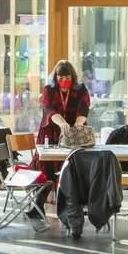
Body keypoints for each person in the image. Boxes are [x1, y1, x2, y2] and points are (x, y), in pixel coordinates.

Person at [33, 60, 91, 213]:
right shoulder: (49, 90)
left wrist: (78, 124)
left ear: (72, 78)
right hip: (51, 132)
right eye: (61, 78)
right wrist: (62, 123)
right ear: (56, 77)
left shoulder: (81, 89)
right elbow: (49, 110)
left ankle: (73, 204)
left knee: (73, 166)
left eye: (67, 78)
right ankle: (38, 204)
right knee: (47, 168)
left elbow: (83, 109)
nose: (64, 82)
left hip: (74, 134)